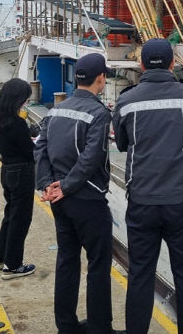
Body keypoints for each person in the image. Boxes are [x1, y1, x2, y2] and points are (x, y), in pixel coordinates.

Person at [113, 38, 183, 334]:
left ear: (140, 65)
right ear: (172, 64)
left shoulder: (127, 101)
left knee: (140, 273)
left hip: (143, 199)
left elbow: (123, 144)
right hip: (182, 199)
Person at [34, 53, 123, 334]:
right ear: (101, 78)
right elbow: (91, 157)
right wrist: (68, 186)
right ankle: (99, 327)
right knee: (98, 264)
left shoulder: (56, 110)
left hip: (60, 202)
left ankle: (67, 325)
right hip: (87, 199)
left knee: (67, 261)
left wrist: (49, 184)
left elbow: (41, 148)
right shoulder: (98, 113)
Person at [0, 78, 37, 280]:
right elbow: (29, 151)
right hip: (22, 172)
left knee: (10, 214)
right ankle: (13, 265)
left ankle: (0, 257)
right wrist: (35, 141)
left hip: (7, 170)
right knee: (21, 218)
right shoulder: (17, 123)